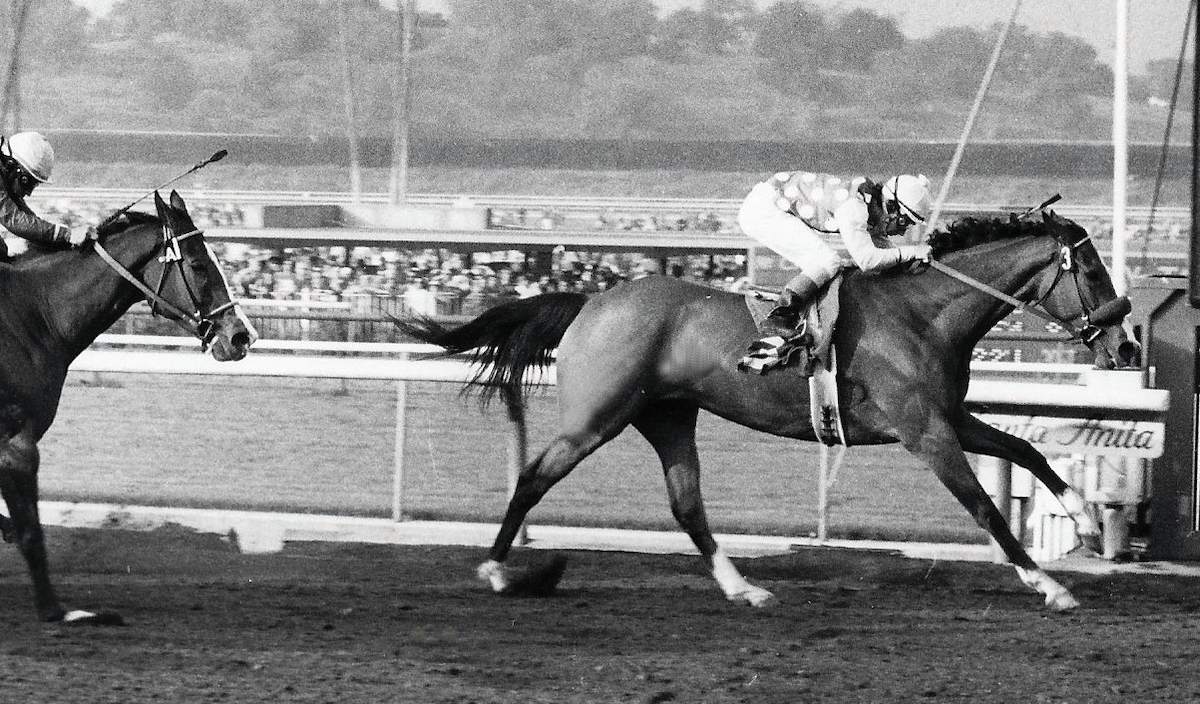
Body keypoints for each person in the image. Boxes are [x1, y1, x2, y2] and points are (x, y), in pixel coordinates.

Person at [737, 171, 934, 343]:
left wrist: (914, 262)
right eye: (903, 222)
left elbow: (888, 255)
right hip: (763, 210)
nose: (902, 232)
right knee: (827, 261)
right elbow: (867, 260)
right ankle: (779, 315)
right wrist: (912, 251)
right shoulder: (855, 209)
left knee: (824, 265)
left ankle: (798, 313)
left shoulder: (872, 208)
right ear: (891, 207)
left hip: (773, 203)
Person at [0, 132, 91, 253]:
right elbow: (15, 220)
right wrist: (67, 234)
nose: (28, 193)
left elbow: (25, 215)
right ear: (13, 167)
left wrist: (64, 238)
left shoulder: (6, 171)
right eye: (27, 183)